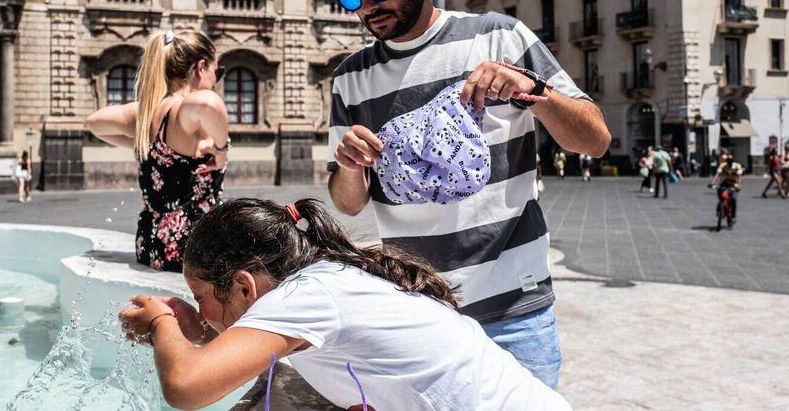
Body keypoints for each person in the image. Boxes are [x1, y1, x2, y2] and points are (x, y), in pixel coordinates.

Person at [320, 0, 609, 389]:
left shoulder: (500, 37)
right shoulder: (351, 78)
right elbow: (348, 204)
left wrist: (531, 89)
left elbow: (595, 139)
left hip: (515, 313)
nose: (367, 7)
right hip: (420, 313)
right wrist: (349, 166)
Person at [118, 198, 570, 410]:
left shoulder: (305, 298)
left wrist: (161, 321)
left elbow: (187, 387)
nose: (199, 311)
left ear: (243, 287)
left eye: (201, 298)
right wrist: (196, 328)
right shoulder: (323, 282)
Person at [86, 29, 229, 272]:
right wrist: (221, 150)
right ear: (200, 67)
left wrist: (141, 142)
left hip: (150, 243)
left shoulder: (146, 113)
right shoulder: (184, 113)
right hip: (192, 249)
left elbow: (94, 122)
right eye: (218, 72)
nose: (216, 81)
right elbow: (208, 103)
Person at [711, 153, 743, 224]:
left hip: (734, 183)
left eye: (730, 161)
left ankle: (733, 216)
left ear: (733, 161)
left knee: (733, 199)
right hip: (726, 182)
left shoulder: (737, 166)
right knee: (719, 190)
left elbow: (739, 177)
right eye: (728, 161)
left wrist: (738, 186)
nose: (729, 163)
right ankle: (720, 206)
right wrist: (712, 183)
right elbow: (717, 174)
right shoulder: (723, 165)